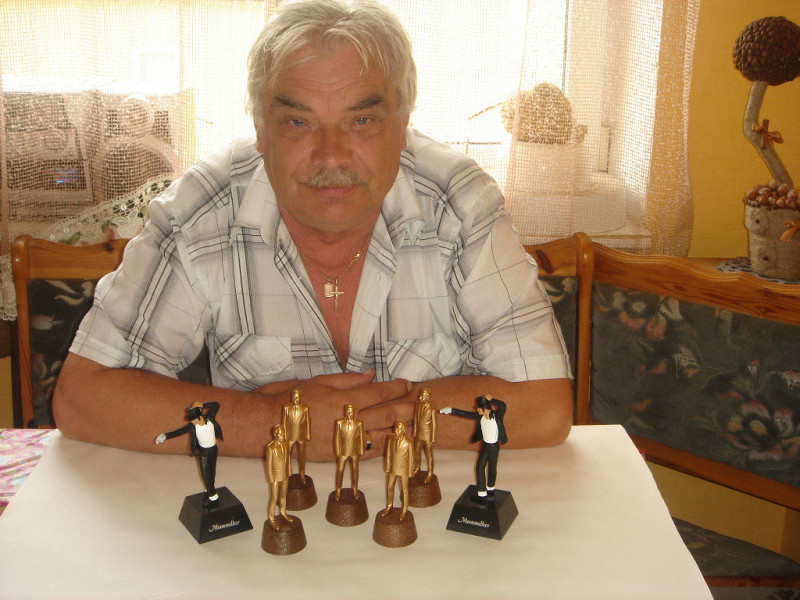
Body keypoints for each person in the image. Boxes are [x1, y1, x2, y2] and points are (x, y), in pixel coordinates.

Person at [53, 0, 573, 460]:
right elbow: (84, 398)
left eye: (361, 121)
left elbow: (544, 407)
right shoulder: (201, 209)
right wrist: (276, 425)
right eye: (298, 123)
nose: (331, 157)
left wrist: (346, 424)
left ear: (403, 124)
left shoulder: (460, 202)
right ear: (260, 129)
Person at [156, 401, 223, 508]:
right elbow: (178, 432)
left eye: (194, 420)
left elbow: (216, 405)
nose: (193, 422)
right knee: (205, 474)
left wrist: (202, 405)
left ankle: (209, 490)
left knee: (211, 471)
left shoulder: (210, 418)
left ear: (199, 416)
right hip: (203, 452)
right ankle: (213, 496)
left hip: (213, 450)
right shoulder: (192, 426)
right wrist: (165, 436)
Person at [440, 395, 506, 503]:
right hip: (485, 446)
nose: (477, 410)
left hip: (494, 446)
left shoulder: (497, 416)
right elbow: (465, 414)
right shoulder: (480, 417)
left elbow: (503, 406)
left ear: (484, 408)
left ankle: (490, 488)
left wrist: (491, 399)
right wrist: (451, 410)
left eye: (478, 408)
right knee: (479, 468)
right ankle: (482, 493)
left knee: (492, 467)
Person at [381, 420, 415, 520]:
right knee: (389, 487)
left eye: (399, 428)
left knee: (404, 489)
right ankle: (389, 506)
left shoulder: (408, 443)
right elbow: (388, 453)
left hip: (403, 470)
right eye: (396, 428)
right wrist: (388, 466)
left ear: (404, 430)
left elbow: (411, 459)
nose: (396, 430)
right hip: (393, 469)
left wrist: (410, 472)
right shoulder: (391, 439)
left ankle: (404, 509)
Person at [333, 403, 366, 500]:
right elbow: (337, 438)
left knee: (355, 471)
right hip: (343, 452)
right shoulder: (339, 423)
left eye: (351, 412)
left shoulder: (359, 423)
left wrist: (361, 450)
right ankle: (338, 489)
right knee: (340, 470)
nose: (349, 414)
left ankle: (355, 488)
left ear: (354, 413)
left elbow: (361, 437)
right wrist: (338, 450)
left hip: (354, 451)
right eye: (347, 412)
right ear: (344, 412)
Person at [265, 424, 294, 530]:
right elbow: (268, 465)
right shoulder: (270, 448)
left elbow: (288, 458)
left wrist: (289, 469)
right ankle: (271, 518)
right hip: (275, 477)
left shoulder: (286, 443)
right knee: (274, 497)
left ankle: (283, 512)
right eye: (280, 434)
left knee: (283, 495)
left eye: (283, 433)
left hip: (284, 474)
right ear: (275, 434)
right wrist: (271, 478)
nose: (282, 435)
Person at [281, 388, 311, 482]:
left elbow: (307, 422)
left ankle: (302, 473)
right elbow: (284, 422)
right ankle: (288, 472)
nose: (295, 399)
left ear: (300, 398)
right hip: (290, 436)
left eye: (297, 397)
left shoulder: (305, 408)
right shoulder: (286, 408)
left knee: (302, 456)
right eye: (294, 397)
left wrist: (308, 434)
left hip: (301, 436)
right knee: (287, 455)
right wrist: (283, 435)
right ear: (291, 397)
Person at [412, 388, 437, 482]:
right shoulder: (418, 405)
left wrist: (433, 437)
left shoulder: (432, 409)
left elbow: (434, 424)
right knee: (416, 451)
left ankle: (430, 472)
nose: (420, 398)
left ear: (428, 397)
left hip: (427, 434)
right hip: (418, 433)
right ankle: (417, 468)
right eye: (420, 396)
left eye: (422, 396)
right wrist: (415, 430)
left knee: (429, 454)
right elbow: (415, 418)